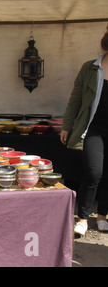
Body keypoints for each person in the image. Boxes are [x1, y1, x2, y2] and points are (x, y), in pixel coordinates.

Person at [61, 26, 108, 236]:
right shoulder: (91, 68)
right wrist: (66, 125)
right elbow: (75, 99)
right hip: (94, 129)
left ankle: (102, 216)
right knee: (93, 172)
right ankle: (82, 218)